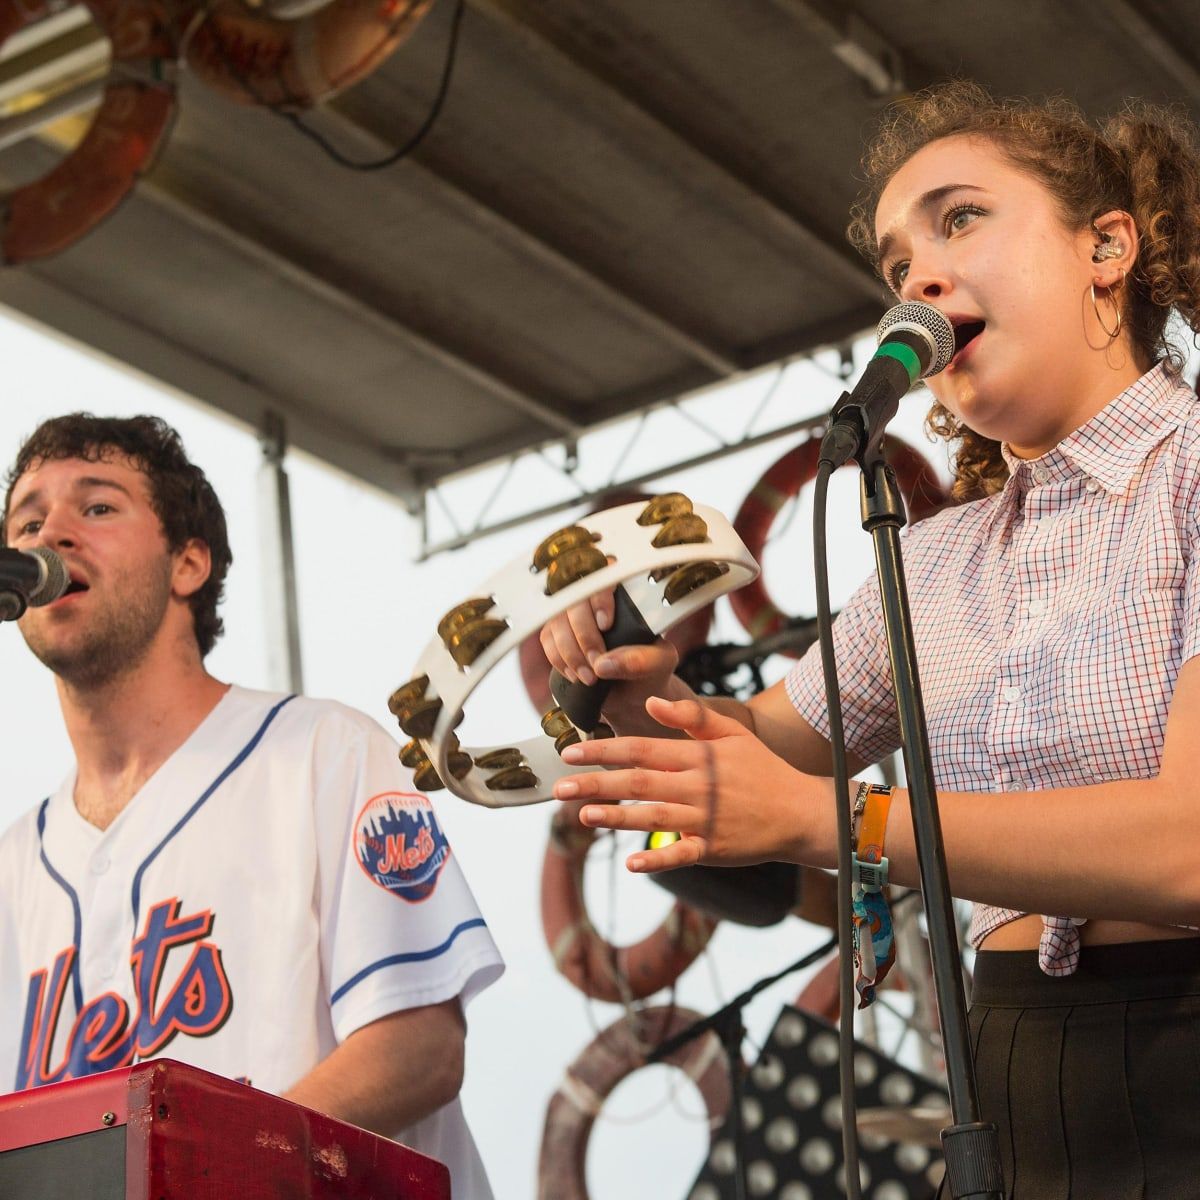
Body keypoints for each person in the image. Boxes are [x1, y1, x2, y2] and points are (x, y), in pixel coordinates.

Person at [541, 81, 1200, 1198]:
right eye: (897, 265)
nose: (920, 277)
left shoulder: (1188, 478)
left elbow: (1187, 845)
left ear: (1108, 247)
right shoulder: (935, 560)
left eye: (961, 218)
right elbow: (753, 751)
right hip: (1013, 1074)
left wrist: (826, 819)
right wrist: (615, 675)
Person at [0, 415, 503, 1197]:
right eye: (28, 521)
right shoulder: (10, 868)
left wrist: (220, 1171)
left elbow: (420, 1046)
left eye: (97, 508)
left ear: (188, 563)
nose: (52, 532)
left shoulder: (323, 751)